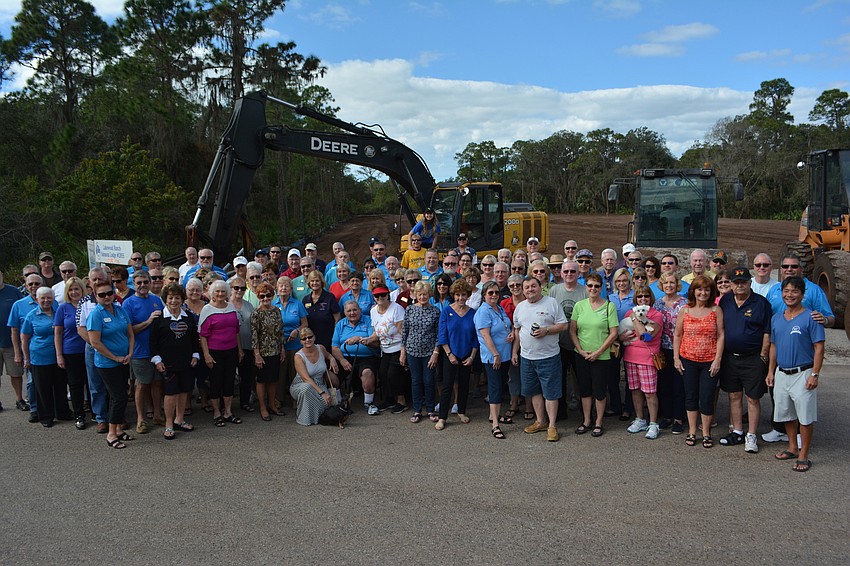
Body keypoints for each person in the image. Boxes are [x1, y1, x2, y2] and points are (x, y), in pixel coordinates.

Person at [763, 254, 834, 443]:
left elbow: (829, 318)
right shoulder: (775, 291)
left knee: (802, 405)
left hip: (802, 355)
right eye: (785, 266)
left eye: (793, 266)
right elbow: (771, 324)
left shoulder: (814, 291)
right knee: (780, 400)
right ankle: (780, 430)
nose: (789, 269)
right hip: (781, 355)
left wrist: (824, 320)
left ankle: (802, 442)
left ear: (801, 269)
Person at [766, 276, 825, 473]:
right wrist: (770, 371)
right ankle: (792, 447)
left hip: (803, 372)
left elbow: (819, 347)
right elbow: (773, 346)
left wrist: (815, 374)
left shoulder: (811, 317)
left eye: (794, 291)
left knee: (805, 417)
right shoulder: (776, 318)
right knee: (787, 414)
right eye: (786, 291)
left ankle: (803, 455)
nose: (789, 295)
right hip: (782, 372)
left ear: (802, 294)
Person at [716, 266, 771, 453]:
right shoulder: (725, 301)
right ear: (730, 284)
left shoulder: (760, 303)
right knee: (734, 395)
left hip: (753, 358)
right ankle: (738, 431)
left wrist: (763, 356)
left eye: (743, 282)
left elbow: (767, 331)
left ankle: (752, 435)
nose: (740, 286)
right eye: (736, 282)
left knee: (753, 398)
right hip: (730, 358)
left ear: (750, 282)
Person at [513, 275, 568, 442]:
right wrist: (515, 352)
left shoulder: (551, 303)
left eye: (533, 286)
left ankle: (552, 426)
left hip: (548, 357)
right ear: (523, 291)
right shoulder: (520, 307)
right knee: (534, 391)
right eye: (527, 287)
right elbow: (517, 331)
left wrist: (547, 330)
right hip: (527, 357)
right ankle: (540, 421)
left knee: (551, 392)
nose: (530, 289)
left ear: (539, 287)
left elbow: (564, 325)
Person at [673, 275, 725, 448]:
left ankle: (706, 432)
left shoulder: (715, 310)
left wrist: (718, 359)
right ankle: (692, 431)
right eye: (699, 289)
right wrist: (676, 358)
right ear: (693, 291)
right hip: (688, 359)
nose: (703, 293)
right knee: (691, 396)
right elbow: (678, 335)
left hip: (709, 361)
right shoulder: (685, 310)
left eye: (707, 289)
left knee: (707, 397)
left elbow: (720, 335)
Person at [568, 273, 618, 438]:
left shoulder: (608, 306)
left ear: (601, 287)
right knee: (585, 389)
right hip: (581, 354)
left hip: (601, 356)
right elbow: (573, 330)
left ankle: (599, 422)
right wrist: (580, 350)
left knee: (599, 390)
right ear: (586, 287)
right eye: (590, 285)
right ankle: (587, 420)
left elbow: (613, 333)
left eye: (596, 286)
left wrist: (598, 352)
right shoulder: (579, 306)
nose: (593, 289)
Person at [86, 281, 134, 449]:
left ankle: (119, 429)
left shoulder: (120, 309)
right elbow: (95, 342)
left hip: (124, 360)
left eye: (109, 293)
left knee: (123, 394)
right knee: (117, 397)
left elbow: (130, 333)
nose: (106, 297)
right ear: (95, 295)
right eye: (102, 295)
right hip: (107, 363)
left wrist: (130, 353)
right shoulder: (95, 315)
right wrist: (115, 358)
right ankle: (111, 434)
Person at [149, 284, 198, 439]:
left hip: (187, 361)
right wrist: (157, 360)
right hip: (168, 363)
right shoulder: (159, 318)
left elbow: (193, 338)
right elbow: (153, 342)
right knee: (171, 393)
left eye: (177, 297)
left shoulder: (188, 316)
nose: (174, 301)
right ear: (165, 299)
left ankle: (179, 419)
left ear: (182, 299)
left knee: (184, 391)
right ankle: (169, 424)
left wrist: (195, 355)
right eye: (170, 298)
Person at [123, 270, 165, 434]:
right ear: (133, 285)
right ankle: (141, 418)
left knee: (157, 383)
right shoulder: (128, 303)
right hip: (139, 351)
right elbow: (129, 330)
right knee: (142, 385)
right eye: (139, 283)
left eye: (145, 282)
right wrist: (148, 321)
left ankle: (157, 414)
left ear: (150, 283)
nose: (142, 285)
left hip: (156, 351)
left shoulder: (156, 300)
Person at [620, 286, 663, 439]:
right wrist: (622, 338)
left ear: (650, 298)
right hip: (630, 356)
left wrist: (633, 318)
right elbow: (622, 334)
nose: (643, 299)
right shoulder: (628, 313)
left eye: (645, 296)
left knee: (650, 393)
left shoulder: (656, 315)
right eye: (639, 297)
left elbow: (646, 335)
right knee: (635, 390)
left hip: (647, 358)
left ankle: (653, 423)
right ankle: (640, 419)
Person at [434, 280, 478, 430]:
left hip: (467, 354)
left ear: (468, 295)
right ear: (453, 295)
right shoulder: (446, 311)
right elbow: (442, 335)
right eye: (457, 295)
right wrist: (449, 354)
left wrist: (472, 356)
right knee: (447, 386)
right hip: (449, 354)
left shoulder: (473, 313)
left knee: (465, 385)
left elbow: (475, 337)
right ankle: (442, 417)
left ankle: (462, 411)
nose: (460, 298)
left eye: (463, 295)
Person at [199, 280, 243, 428]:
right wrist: (206, 354)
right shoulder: (207, 310)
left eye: (223, 291)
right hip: (215, 352)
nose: (220, 294)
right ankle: (217, 413)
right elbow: (203, 335)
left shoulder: (231, 307)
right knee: (216, 382)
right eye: (217, 291)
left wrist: (240, 349)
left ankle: (228, 412)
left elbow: (236, 330)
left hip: (231, 350)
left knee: (229, 381)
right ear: (212, 293)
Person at [21, 287, 68, 427]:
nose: (46, 301)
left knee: (60, 386)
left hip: (59, 356)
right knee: (43, 388)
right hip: (39, 357)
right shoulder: (31, 315)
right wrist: (26, 359)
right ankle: (46, 417)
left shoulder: (58, 311)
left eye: (49, 298)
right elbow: (24, 339)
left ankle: (63, 412)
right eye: (43, 298)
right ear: (37, 299)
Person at [75, 268, 114, 432]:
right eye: (94, 279)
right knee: (96, 385)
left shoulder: (114, 300)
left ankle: (115, 417)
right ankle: (101, 418)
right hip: (92, 349)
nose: (97, 282)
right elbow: (80, 328)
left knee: (114, 385)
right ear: (89, 282)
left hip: (113, 348)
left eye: (100, 279)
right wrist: (95, 344)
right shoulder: (84, 302)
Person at [476, 280, 514, 439]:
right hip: (494, 357)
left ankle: (494, 415)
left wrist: (512, 332)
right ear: (484, 295)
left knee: (500, 385)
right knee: (495, 388)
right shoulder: (483, 311)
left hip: (504, 355)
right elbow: (485, 336)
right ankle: (495, 425)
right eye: (490, 293)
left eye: (496, 292)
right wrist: (495, 354)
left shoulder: (498, 308)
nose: (494, 295)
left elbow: (506, 325)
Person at [548, 259, 587, 417]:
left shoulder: (585, 290)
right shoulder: (554, 291)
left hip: (580, 343)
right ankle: (560, 412)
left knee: (583, 380)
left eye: (573, 271)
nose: (569, 274)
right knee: (560, 378)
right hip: (559, 343)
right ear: (561, 273)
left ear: (578, 273)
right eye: (566, 271)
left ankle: (585, 414)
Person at [400, 281, 440, 423]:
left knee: (429, 380)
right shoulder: (410, 309)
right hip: (412, 350)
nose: (423, 297)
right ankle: (417, 410)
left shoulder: (435, 311)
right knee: (416, 381)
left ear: (430, 295)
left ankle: (430, 409)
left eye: (425, 294)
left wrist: (436, 352)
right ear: (416, 295)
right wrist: (403, 351)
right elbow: (404, 331)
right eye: (420, 294)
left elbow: (438, 334)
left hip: (429, 351)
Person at [332, 301, 381, 415]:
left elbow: (375, 343)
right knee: (331, 374)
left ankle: (369, 403)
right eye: (349, 311)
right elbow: (334, 347)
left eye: (354, 310)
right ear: (344, 312)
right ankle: (339, 402)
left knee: (367, 373)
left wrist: (359, 339)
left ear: (360, 310)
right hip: (345, 357)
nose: (352, 313)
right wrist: (342, 360)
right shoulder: (340, 324)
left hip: (366, 356)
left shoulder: (369, 320)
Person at [654, 272, 688, 435]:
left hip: (680, 349)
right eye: (666, 283)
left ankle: (679, 418)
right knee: (664, 384)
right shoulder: (658, 304)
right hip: (661, 349)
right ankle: (667, 416)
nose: (669, 286)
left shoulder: (684, 303)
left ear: (677, 285)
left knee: (678, 385)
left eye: (672, 283)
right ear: (661, 285)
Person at [9, 273, 45, 422]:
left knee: (50, 381)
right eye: (31, 284)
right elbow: (14, 331)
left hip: (49, 351)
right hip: (30, 351)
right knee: (31, 382)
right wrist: (18, 353)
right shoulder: (19, 305)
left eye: (37, 284)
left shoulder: (51, 301)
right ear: (26, 285)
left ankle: (51, 408)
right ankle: (35, 409)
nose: (34, 287)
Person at [53, 277, 88, 430]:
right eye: (71, 289)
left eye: (77, 289)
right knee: (75, 384)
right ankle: (79, 414)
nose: (74, 292)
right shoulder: (63, 308)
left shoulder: (89, 305)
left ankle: (97, 413)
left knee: (92, 383)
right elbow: (58, 333)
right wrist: (59, 355)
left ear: (82, 290)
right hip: (71, 351)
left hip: (90, 350)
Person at [370, 285, 408, 413]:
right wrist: (367, 340)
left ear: (388, 295)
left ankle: (401, 401)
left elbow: (403, 332)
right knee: (383, 373)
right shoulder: (373, 311)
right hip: (385, 348)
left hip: (398, 347)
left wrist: (403, 352)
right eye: (377, 295)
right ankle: (389, 399)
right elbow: (376, 332)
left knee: (393, 374)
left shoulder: (396, 309)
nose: (380, 298)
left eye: (383, 295)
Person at [272, 276, 308, 411]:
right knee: (280, 374)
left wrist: (296, 331)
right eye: (281, 286)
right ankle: (278, 399)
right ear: (277, 288)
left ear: (291, 289)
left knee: (295, 373)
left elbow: (305, 323)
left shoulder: (297, 304)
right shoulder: (273, 304)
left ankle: (296, 398)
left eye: (286, 286)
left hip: (295, 344)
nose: (283, 288)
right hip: (279, 345)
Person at [250, 282, 285, 421]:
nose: (265, 298)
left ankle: (272, 404)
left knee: (273, 379)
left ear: (272, 295)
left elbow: (280, 331)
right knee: (262, 380)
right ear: (258, 297)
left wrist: (282, 349)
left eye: (268, 295)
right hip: (262, 353)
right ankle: (263, 407)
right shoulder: (256, 314)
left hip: (275, 350)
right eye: (262, 296)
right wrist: (257, 355)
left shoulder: (276, 311)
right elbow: (254, 336)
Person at [291, 327, 340, 425]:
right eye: (304, 339)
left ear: (314, 337)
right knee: (307, 389)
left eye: (310, 337)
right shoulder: (298, 356)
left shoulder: (320, 348)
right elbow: (306, 378)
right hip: (301, 384)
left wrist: (332, 359)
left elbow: (328, 355)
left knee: (327, 403)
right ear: (300, 341)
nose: (307, 340)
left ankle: (319, 417)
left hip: (319, 383)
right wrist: (322, 393)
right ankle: (305, 419)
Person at [501, 273, 530, 419]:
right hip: (510, 344)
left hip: (528, 343)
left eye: (518, 285)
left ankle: (529, 406)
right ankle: (514, 404)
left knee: (528, 375)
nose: (515, 288)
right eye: (512, 286)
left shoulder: (529, 301)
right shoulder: (504, 304)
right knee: (513, 376)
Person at [0, 268, 25, 413]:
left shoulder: (13, 291)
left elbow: (22, 310)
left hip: (11, 342)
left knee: (16, 373)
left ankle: (19, 399)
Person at [229, 277, 255, 413]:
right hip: (230, 346)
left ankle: (244, 402)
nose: (239, 291)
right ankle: (227, 406)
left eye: (243, 288)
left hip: (248, 345)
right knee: (228, 376)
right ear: (231, 289)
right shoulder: (226, 305)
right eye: (236, 288)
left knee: (246, 376)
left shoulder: (248, 305)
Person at [183, 278, 209, 414]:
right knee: (188, 376)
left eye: (197, 290)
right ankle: (187, 404)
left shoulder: (208, 305)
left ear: (202, 290)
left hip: (205, 346)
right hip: (186, 347)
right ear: (186, 291)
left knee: (203, 375)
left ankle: (205, 401)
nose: (194, 292)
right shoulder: (181, 307)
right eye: (191, 290)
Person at [303, 270, 340, 352]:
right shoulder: (305, 299)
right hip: (311, 339)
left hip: (327, 338)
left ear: (322, 282)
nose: (314, 283)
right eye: (312, 281)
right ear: (309, 283)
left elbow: (337, 318)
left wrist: (335, 336)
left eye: (317, 281)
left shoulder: (329, 297)